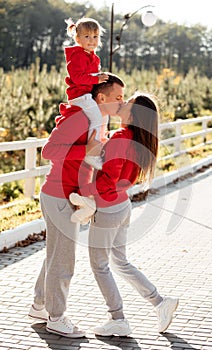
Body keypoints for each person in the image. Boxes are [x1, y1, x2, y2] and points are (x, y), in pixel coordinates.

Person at [28, 73, 125, 338]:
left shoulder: (99, 121)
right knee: (64, 261)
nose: (122, 103)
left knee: (55, 254)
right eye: (118, 97)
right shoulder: (80, 117)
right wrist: (86, 150)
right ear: (101, 98)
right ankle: (56, 318)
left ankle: (40, 305)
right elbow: (48, 151)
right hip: (58, 195)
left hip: (67, 195)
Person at [75, 93, 179, 336]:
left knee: (99, 266)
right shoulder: (134, 139)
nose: (122, 104)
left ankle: (118, 318)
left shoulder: (122, 137)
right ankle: (160, 302)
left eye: (127, 102)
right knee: (120, 262)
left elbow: (109, 179)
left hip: (109, 207)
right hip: (123, 205)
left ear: (133, 115)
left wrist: (87, 195)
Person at [64, 17, 109, 170]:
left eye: (95, 37)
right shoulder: (77, 56)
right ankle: (92, 153)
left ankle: (101, 142)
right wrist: (97, 79)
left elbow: (91, 77)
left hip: (87, 95)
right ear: (77, 38)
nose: (92, 40)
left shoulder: (93, 57)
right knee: (96, 116)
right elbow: (77, 77)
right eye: (87, 36)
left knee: (104, 114)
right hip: (78, 96)